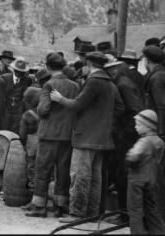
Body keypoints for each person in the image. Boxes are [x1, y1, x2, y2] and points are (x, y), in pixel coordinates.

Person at [50, 51, 124, 222]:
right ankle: (92, 213)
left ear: (89, 64)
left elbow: (77, 105)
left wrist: (60, 99)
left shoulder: (93, 81)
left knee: (80, 176)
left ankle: (77, 214)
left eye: (84, 64)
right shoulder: (110, 83)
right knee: (95, 178)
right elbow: (120, 108)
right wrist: (103, 122)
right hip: (102, 139)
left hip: (85, 138)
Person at [26, 53, 79, 218]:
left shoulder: (49, 84)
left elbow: (42, 110)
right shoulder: (75, 86)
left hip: (49, 134)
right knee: (63, 171)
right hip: (67, 135)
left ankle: (39, 206)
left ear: (48, 68)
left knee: (43, 170)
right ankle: (59, 207)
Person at [104, 60, 144, 225]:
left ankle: (125, 215)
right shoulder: (123, 82)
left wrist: (124, 132)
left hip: (127, 137)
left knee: (123, 175)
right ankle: (124, 214)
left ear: (112, 70)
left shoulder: (123, 85)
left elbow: (135, 110)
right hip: (127, 135)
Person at [126, 110, 165, 234]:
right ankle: (159, 231)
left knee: (135, 209)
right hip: (152, 179)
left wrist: (128, 160)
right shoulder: (159, 141)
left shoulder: (143, 142)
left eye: (138, 124)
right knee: (152, 208)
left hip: (137, 180)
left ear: (147, 127)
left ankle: (137, 232)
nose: (135, 127)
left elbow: (133, 157)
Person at [19, 86, 41, 209]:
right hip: (45, 145)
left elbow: (22, 134)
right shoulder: (45, 111)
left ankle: (34, 201)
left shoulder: (27, 115)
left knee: (32, 172)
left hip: (32, 146)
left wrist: (23, 144)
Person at [2, 57, 33, 134]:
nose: (20, 73)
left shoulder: (28, 80)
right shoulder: (5, 78)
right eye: (18, 71)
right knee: (4, 129)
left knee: (15, 131)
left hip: (18, 110)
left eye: (22, 72)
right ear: (14, 70)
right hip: (6, 109)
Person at [142, 45, 165, 140]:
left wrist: (161, 131)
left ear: (147, 60)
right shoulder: (158, 74)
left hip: (158, 128)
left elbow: (161, 105)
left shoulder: (157, 77)